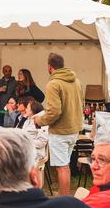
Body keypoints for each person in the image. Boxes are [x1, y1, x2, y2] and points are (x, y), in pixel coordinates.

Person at [33, 53, 83, 196]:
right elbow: (81, 104)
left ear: (50, 67)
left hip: (60, 131)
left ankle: (64, 199)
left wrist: (39, 120)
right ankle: (65, 197)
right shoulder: (76, 81)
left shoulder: (53, 84)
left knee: (62, 167)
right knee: (65, 165)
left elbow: (54, 111)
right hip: (74, 129)